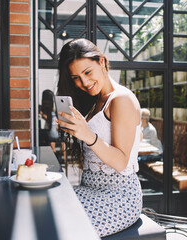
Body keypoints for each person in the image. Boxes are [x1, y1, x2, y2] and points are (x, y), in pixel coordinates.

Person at [56, 38, 142, 237]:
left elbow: (121, 162)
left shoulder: (121, 99)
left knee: (64, 230)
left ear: (101, 62)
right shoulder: (95, 102)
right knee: (47, 213)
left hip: (119, 197)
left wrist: (88, 135)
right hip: (89, 189)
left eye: (87, 72)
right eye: (76, 77)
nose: (84, 83)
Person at [39, 90, 66, 163]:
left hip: (54, 131)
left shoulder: (54, 111)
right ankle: (57, 157)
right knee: (53, 142)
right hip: (50, 132)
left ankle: (63, 159)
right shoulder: (46, 110)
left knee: (62, 142)